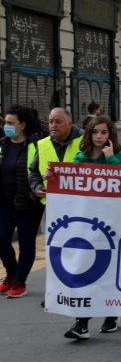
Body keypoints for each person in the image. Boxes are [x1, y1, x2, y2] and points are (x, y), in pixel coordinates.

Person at [63, 115, 121, 339]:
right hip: (85, 225)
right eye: (95, 132)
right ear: (88, 134)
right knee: (86, 268)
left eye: (104, 132)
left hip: (112, 224)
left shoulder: (120, 157)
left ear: (110, 134)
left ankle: (111, 312)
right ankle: (81, 322)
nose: (99, 136)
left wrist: (110, 159)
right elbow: (67, 185)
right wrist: (53, 178)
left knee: (110, 269)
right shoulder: (79, 158)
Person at [0, 105, 44, 299]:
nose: (6, 126)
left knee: (26, 243)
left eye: (11, 123)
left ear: (23, 125)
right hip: (5, 202)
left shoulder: (37, 146)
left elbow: (39, 172)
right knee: (1, 241)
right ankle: (10, 273)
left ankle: (20, 281)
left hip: (29, 204)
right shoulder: (3, 145)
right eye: (5, 123)